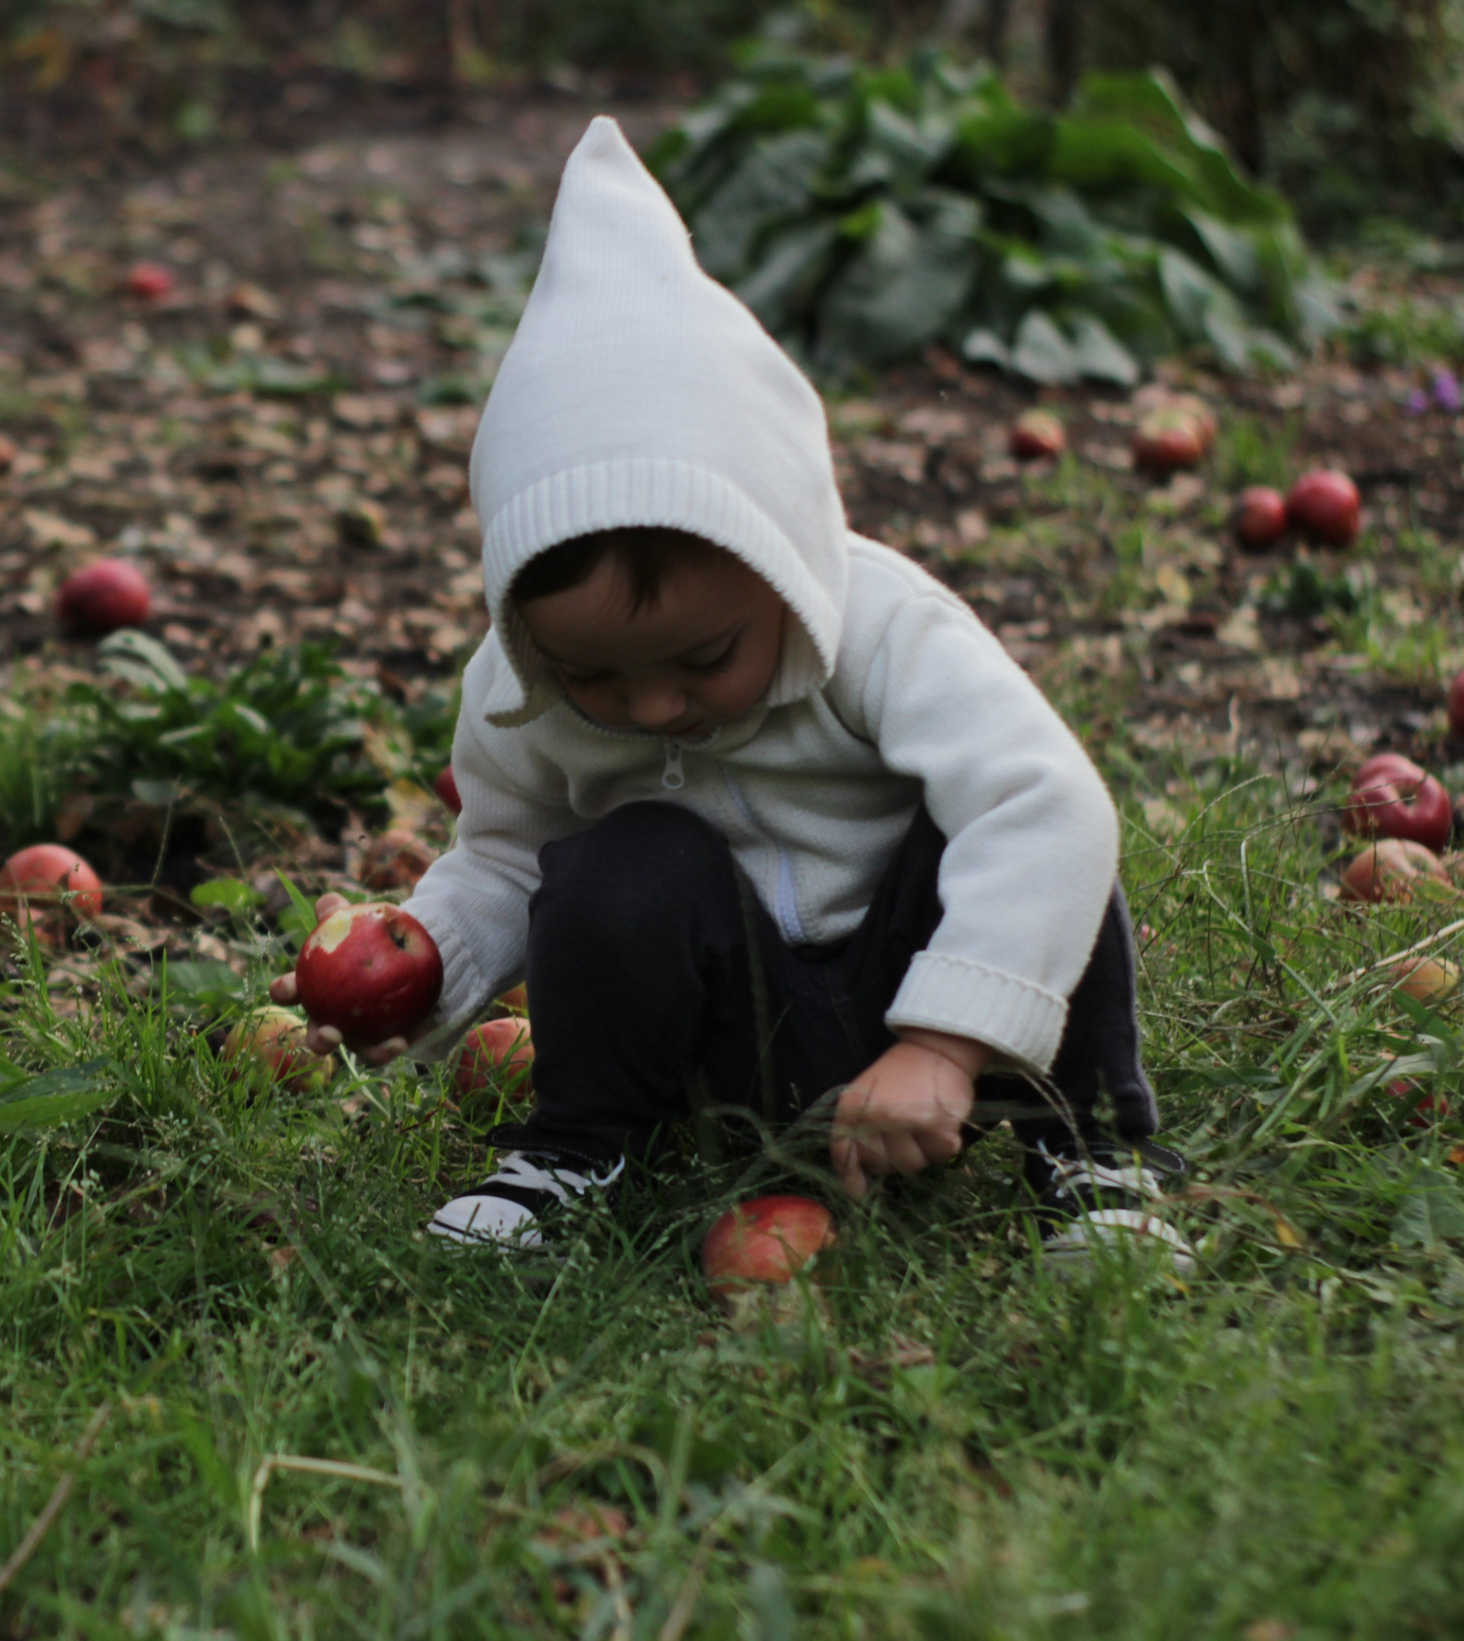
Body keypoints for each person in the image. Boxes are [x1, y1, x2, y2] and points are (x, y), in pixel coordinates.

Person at [269, 118, 1187, 1265]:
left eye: (703, 661)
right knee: (615, 863)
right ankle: (577, 1146)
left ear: (784, 563)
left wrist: (946, 1042)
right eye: (592, 675)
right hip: (730, 1034)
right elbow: (504, 857)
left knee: (1036, 831)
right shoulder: (518, 690)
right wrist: (423, 966)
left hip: (917, 975)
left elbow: (1046, 806)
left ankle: (1091, 1152)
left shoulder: (880, 625)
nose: (655, 708)